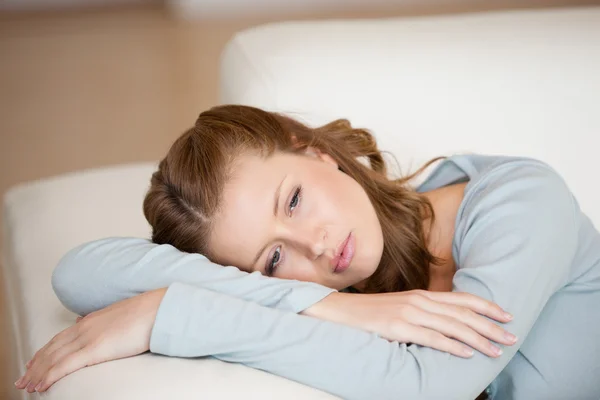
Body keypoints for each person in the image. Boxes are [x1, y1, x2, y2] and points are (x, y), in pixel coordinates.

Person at [15, 105, 600, 399]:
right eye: (272, 259)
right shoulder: (337, 292)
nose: (314, 246)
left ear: (317, 152)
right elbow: (81, 273)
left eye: (292, 200)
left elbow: (434, 387)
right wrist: (329, 307)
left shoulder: (521, 201)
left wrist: (171, 312)